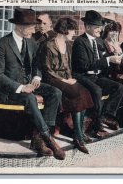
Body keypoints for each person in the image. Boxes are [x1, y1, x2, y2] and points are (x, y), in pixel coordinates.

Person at [0, 8, 65, 160]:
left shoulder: (31, 43)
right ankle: (47, 137)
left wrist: (36, 78)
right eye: (31, 26)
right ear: (19, 26)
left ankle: (38, 139)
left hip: (28, 83)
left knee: (55, 92)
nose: (34, 28)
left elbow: (37, 65)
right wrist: (21, 87)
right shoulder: (2, 44)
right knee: (30, 98)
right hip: (8, 88)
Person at [40, 17, 94, 154]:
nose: (73, 34)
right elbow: (47, 71)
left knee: (84, 92)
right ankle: (78, 136)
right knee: (77, 93)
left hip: (65, 79)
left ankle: (79, 133)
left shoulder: (68, 45)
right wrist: (65, 81)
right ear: (64, 31)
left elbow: (69, 67)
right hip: (52, 79)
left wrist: (70, 78)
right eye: (72, 31)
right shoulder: (49, 45)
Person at [72, 10, 123, 138]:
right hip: (82, 76)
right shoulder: (80, 41)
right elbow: (84, 66)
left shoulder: (99, 42)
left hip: (96, 76)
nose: (99, 30)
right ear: (88, 27)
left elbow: (104, 61)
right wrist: (108, 60)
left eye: (100, 27)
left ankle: (103, 117)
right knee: (97, 91)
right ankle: (95, 127)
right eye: (96, 27)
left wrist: (115, 56)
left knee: (120, 88)